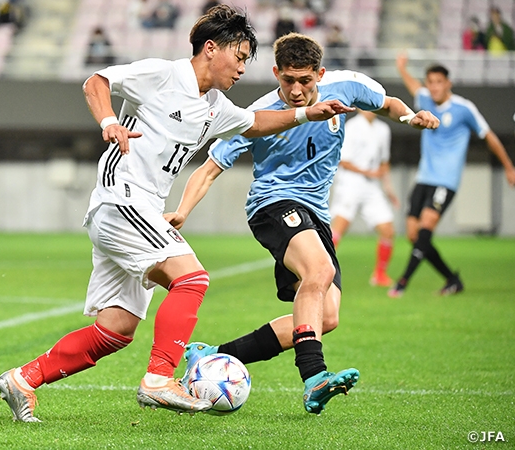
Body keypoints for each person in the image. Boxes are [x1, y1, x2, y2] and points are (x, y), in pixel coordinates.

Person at [0, 5, 354, 423]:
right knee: (192, 278)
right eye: (239, 57)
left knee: (116, 330)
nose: (241, 69)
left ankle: (23, 379)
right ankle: (160, 379)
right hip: (122, 199)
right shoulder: (164, 74)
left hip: (138, 209)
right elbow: (97, 81)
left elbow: (255, 123)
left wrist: (308, 112)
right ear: (211, 49)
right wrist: (109, 121)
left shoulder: (214, 105)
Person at [163, 32, 439, 415]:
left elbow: (388, 103)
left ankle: (210, 356)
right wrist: (182, 211)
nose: (295, 90)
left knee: (327, 316)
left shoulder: (347, 86)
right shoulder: (259, 115)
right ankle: (314, 376)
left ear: (320, 75)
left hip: (316, 214)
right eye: (287, 80)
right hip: (272, 205)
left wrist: (411, 116)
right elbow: (210, 168)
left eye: (305, 81)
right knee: (319, 269)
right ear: (276, 72)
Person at [390, 55, 515, 297]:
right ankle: (452, 279)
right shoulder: (424, 98)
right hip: (423, 177)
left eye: (438, 81)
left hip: (445, 181)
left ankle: (402, 282)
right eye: (430, 82)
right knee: (414, 235)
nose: (434, 87)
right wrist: (401, 68)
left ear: (448, 83)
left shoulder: (463, 108)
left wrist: (509, 167)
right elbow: (414, 87)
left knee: (426, 229)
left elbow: (488, 135)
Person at [330, 110, 399, 287]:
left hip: (372, 186)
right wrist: (368, 172)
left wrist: (388, 187)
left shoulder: (383, 129)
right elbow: (343, 161)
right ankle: (322, 271)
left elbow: (384, 162)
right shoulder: (352, 127)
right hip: (350, 183)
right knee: (338, 229)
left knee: (388, 230)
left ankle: (379, 274)